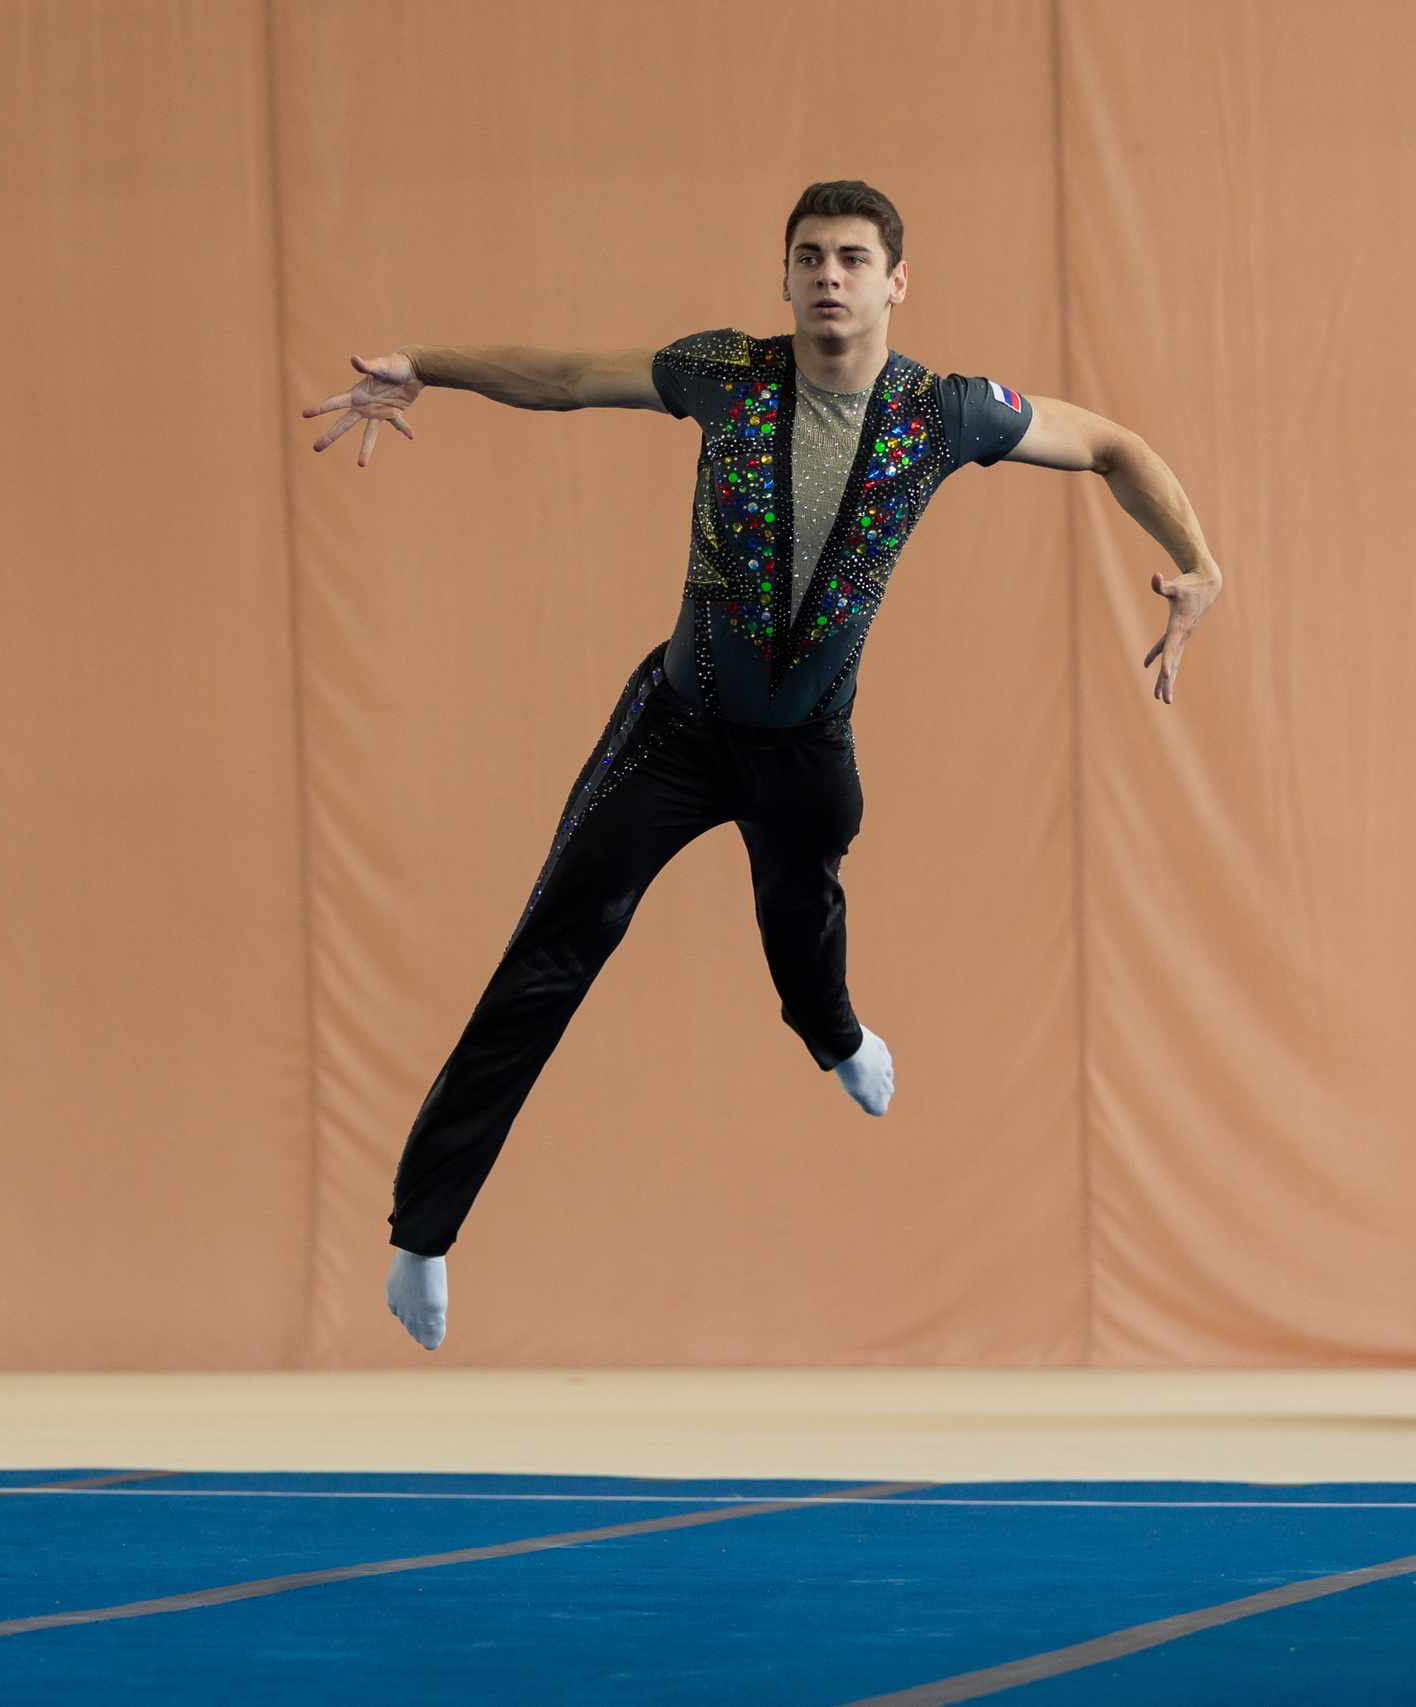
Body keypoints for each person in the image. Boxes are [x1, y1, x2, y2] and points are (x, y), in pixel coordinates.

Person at [301, 180, 1222, 1352]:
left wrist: (1196, 561)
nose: (827, 277)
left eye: (850, 258)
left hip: (806, 749)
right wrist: (426, 361)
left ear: (895, 283)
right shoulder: (723, 373)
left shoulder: (944, 416)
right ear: (783, 279)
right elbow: (568, 379)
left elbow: (1109, 444)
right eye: (807, 258)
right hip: (675, 733)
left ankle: (834, 1034)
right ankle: (422, 1234)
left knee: (801, 935)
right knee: (552, 949)